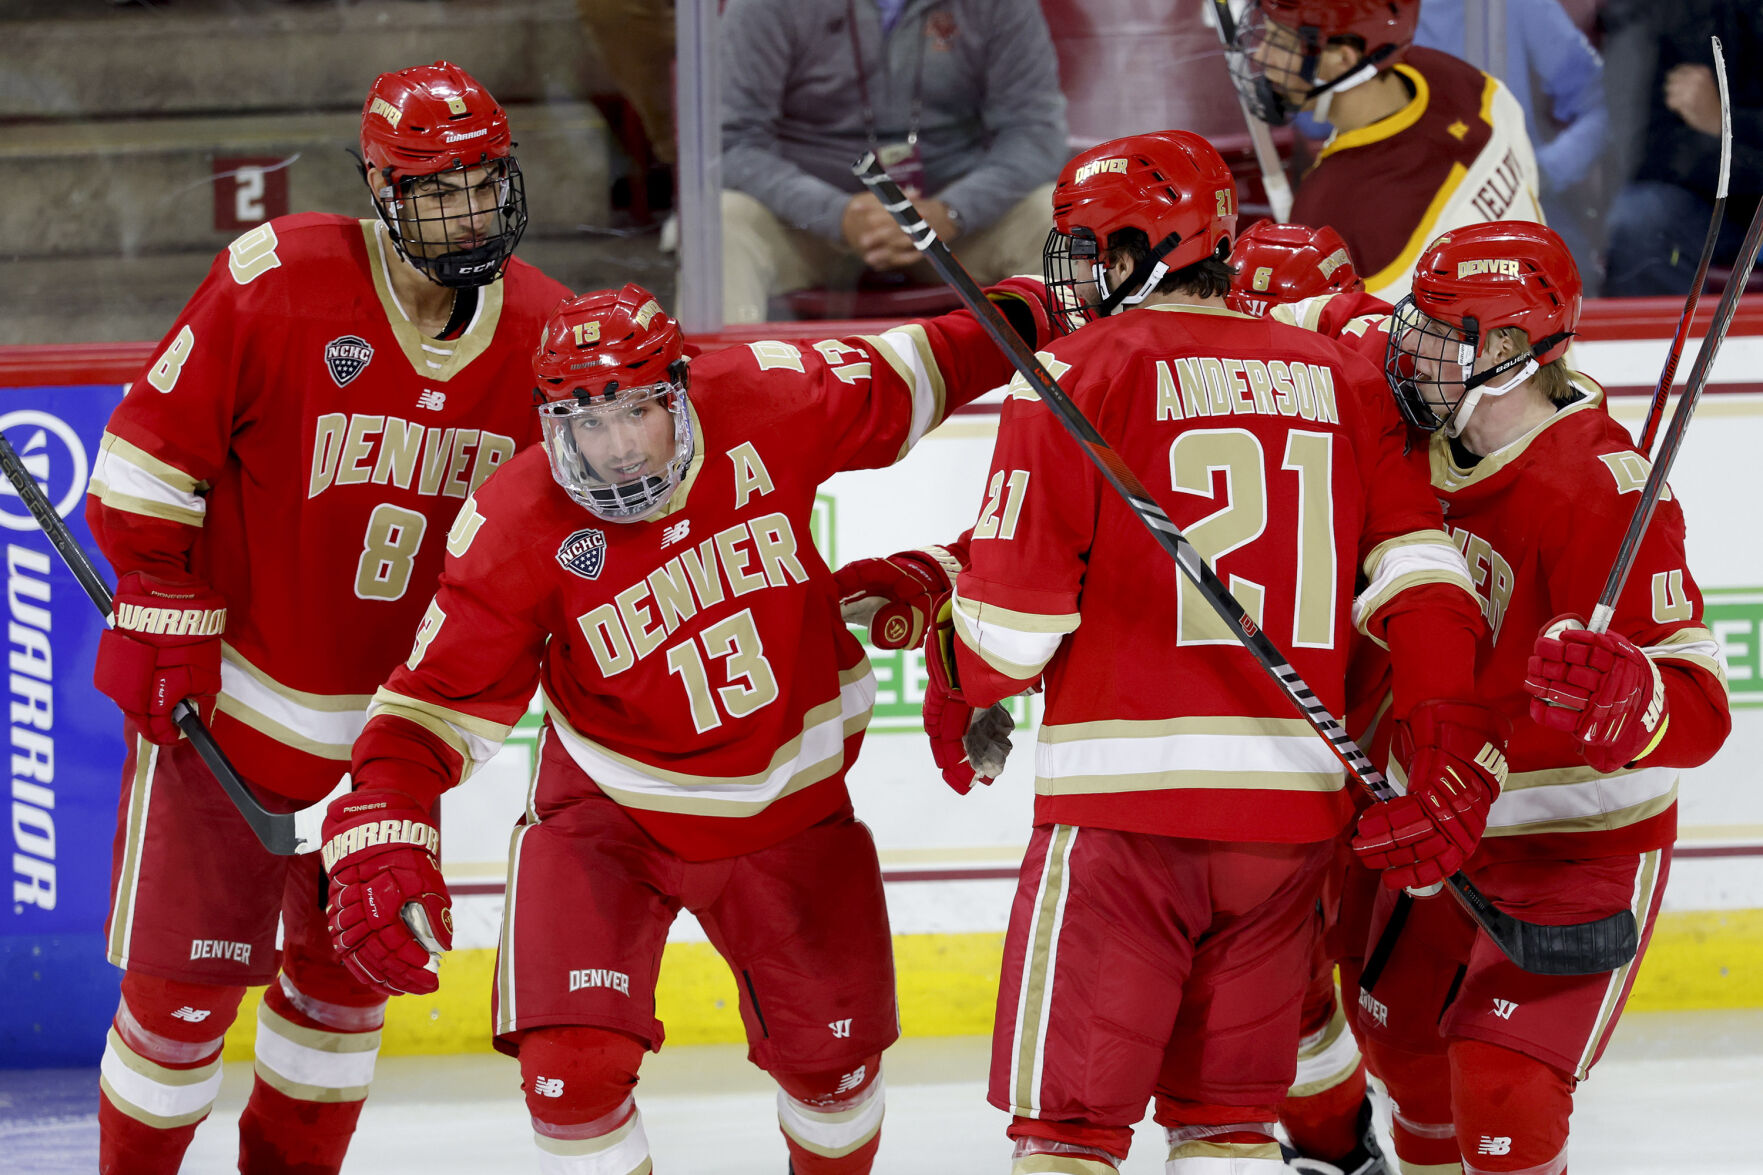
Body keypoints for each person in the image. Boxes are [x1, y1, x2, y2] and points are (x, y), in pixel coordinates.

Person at [319, 278, 1056, 1173]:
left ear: (682, 388)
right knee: (572, 1073)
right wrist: (386, 816)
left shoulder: (769, 396)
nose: (617, 450)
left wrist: (1047, 304)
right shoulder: (515, 519)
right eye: (586, 425)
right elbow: (432, 699)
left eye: (635, 414)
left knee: (836, 1070)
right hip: (608, 816)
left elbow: (926, 365)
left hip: (792, 807)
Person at [923, 129, 1496, 1175]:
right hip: (1286, 829)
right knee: (1225, 1133)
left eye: (1093, 248)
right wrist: (1441, 737)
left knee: (1066, 1132)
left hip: (1121, 822)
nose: (1075, 274)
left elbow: (1009, 631)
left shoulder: (1074, 371)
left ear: (1156, 243)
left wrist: (957, 677)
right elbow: (1425, 581)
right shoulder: (1340, 376)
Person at [85, 61, 573, 1175]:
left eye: (483, 181)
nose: (465, 210)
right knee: (175, 1020)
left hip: (386, 760)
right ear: (381, 192)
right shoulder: (278, 280)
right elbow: (144, 465)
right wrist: (162, 589)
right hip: (229, 725)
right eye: (434, 187)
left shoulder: (544, 333)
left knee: (337, 1023)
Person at [1359, 221, 1731, 1173]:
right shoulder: (1414, 446)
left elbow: (1698, 705)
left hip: (1576, 849)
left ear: (1511, 353)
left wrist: (1630, 695)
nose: (1413, 351)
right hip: (1442, 825)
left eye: (1442, 335)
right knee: (1402, 1058)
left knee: (1504, 1090)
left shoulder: (1597, 488)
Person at [1227, 219, 1396, 1175]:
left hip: (1361, 740)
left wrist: (1328, 318)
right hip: (1260, 738)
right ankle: (1336, 1146)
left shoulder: (1371, 371)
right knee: (1290, 976)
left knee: (1367, 981)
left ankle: (1375, 1134)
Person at [719, 0, 1068, 322]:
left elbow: (1035, 134)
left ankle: (1070, 383)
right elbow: (729, 143)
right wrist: (836, 214)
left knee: (1056, 219)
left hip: (954, 220)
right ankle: (722, 384)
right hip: (804, 222)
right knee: (720, 222)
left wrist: (952, 211)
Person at [1223, 0, 1544, 302]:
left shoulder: (1334, 214)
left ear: (1344, 58)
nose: (1264, 56)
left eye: (1281, 43)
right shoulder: (1468, 84)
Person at [1412, 0, 1609, 279]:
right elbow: (1327, 128)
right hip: (1402, 216)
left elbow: (1603, 104)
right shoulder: (1359, 12)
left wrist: (1541, 171)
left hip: (1515, 210)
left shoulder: (1518, 5)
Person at [1601, 0, 1763, 296]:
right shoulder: (1660, 14)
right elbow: (1642, 143)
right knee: (1640, 223)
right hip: (1709, 201)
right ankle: (1661, 340)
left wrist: (1725, 121)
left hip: (1736, 178)